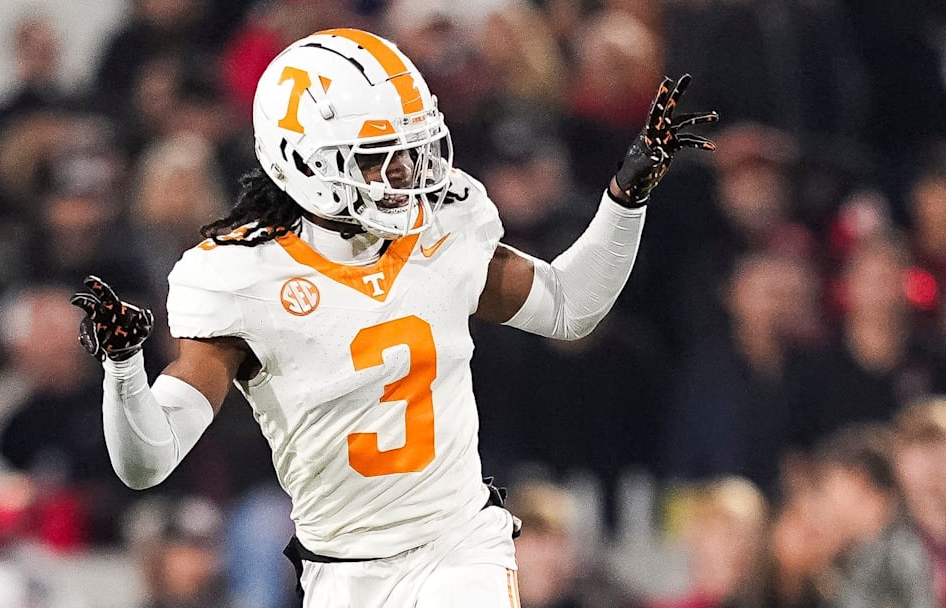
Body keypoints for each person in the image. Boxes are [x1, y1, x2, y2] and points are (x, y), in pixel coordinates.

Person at [69, 28, 717, 606]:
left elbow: (569, 308)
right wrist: (124, 369)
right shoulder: (242, 277)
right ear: (303, 160)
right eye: (377, 153)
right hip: (342, 570)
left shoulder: (441, 228)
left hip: (459, 545)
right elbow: (148, 462)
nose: (405, 172)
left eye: (409, 148)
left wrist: (626, 197)